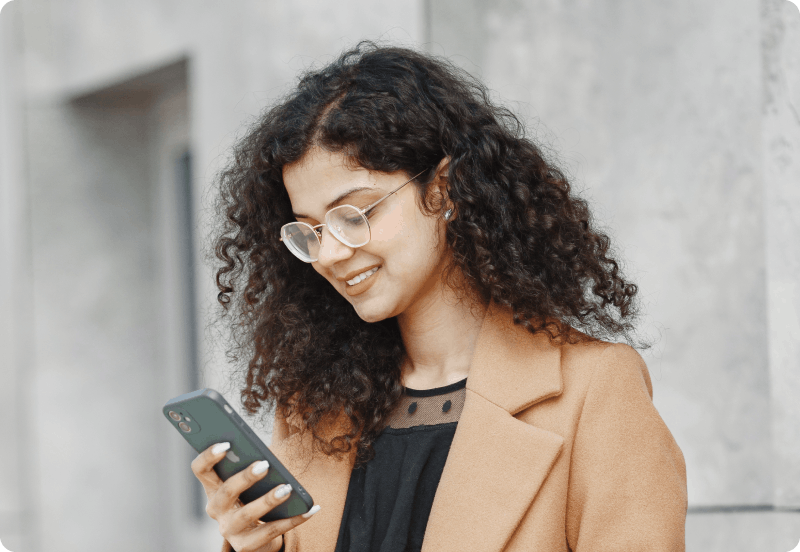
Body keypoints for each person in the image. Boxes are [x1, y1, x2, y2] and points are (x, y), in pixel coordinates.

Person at [191, 41, 687, 552]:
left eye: (355, 215)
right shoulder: (314, 410)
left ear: (443, 190)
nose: (331, 254)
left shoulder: (593, 390)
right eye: (310, 231)